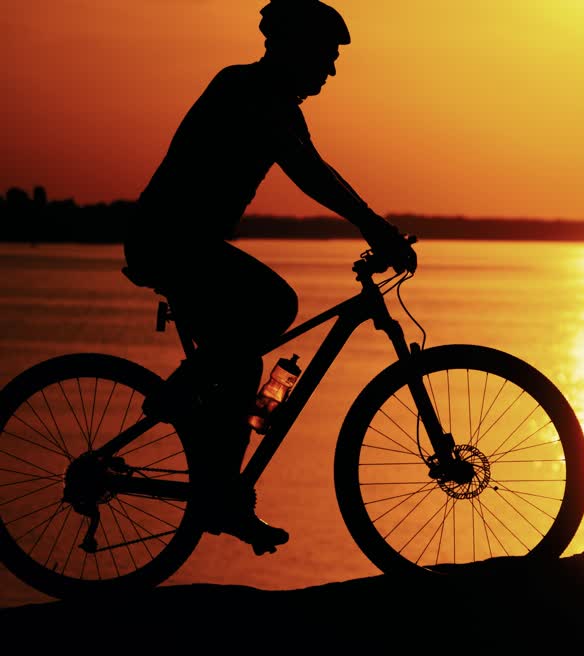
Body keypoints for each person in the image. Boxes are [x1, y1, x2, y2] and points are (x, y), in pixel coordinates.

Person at [123, 0, 415, 555]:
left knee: (241, 367)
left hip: (187, 244)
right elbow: (308, 173)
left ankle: (220, 491)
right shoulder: (248, 90)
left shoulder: (282, 106)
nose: (330, 70)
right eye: (326, 56)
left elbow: (319, 167)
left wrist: (374, 225)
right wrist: (376, 228)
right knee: (274, 306)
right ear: (295, 48)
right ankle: (184, 405)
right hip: (168, 240)